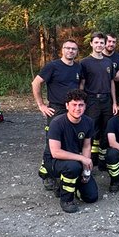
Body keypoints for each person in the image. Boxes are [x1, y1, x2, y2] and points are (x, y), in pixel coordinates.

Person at [32, 39, 83, 188]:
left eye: (73, 49)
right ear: (62, 50)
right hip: (57, 109)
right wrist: (41, 105)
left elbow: (80, 86)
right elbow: (36, 83)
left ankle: (67, 170)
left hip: (73, 109)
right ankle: (47, 174)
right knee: (52, 142)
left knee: (71, 139)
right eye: (67, 48)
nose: (70, 51)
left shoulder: (78, 67)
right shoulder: (52, 66)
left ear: (76, 51)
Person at [46, 91, 99, 213]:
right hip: (54, 162)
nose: (77, 108)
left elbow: (86, 146)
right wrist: (82, 159)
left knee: (91, 197)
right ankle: (66, 200)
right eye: (74, 105)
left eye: (81, 105)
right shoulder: (57, 123)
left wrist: (86, 170)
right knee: (73, 167)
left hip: (75, 159)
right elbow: (55, 152)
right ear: (67, 106)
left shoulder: (88, 122)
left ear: (85, 106)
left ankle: (67, 186)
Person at [80, 32, 116, 161]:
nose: (99, 45)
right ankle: (90, 158)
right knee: (92, 129)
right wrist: (81, 102)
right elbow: (82, 84)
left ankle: (103, 158)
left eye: (102, 42)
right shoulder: (84, 62)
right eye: (96, 42)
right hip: (91, 99)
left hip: (107, 99)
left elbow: (111, 82)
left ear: (105, 44)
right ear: (91, 44)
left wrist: (114, 102)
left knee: (106, 129)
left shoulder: (108, 62)